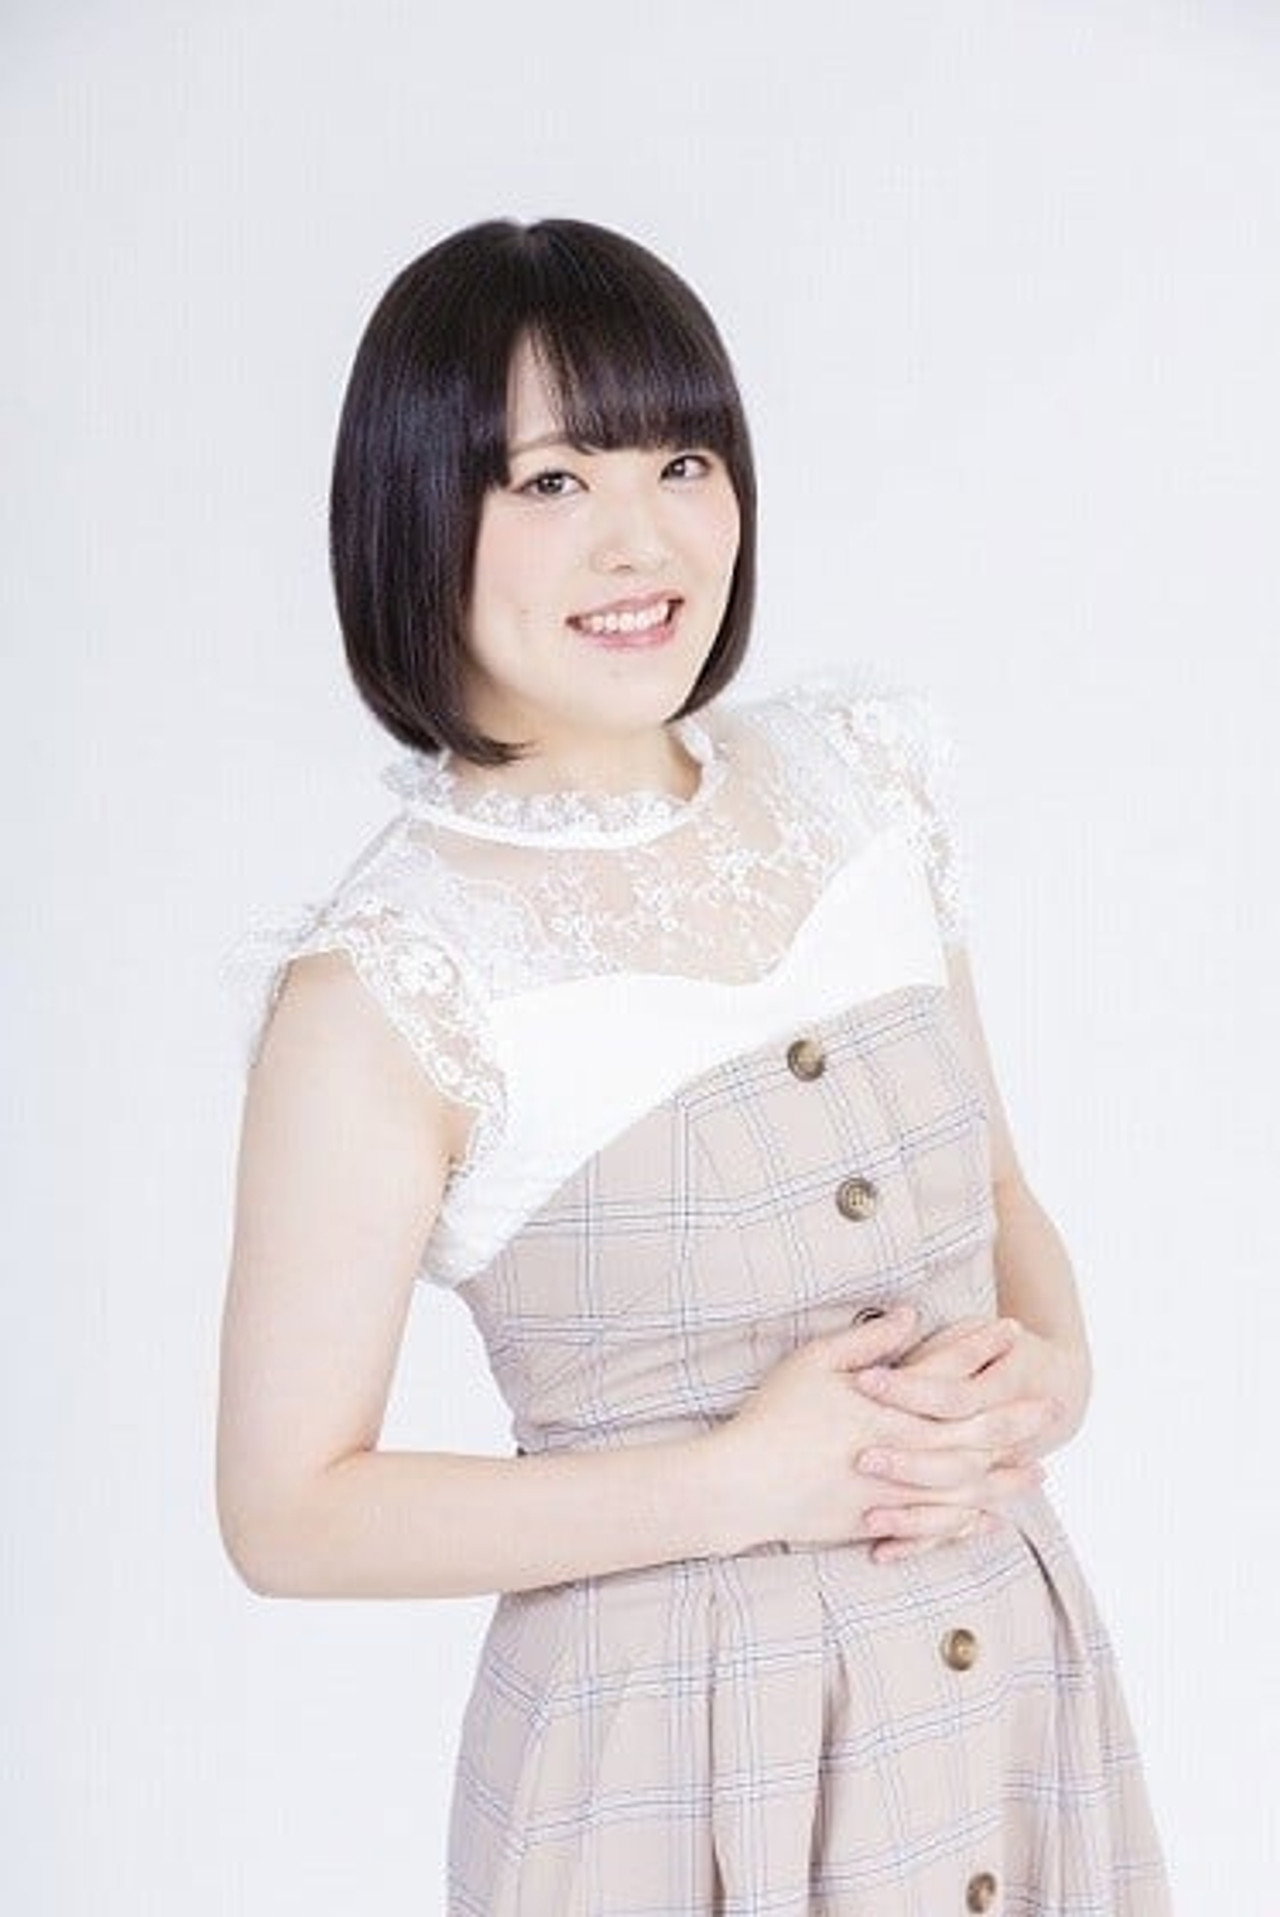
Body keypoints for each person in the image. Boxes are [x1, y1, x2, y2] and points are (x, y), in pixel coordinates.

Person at [216, 217, 1172, 1914]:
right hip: (660, 1780)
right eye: (552, 481)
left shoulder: (862, 789)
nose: (642, 538)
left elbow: (1005, 1194)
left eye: (682, 461)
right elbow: (288, 1510)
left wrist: (1057, 1371)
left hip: (1007, 1698)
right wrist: (733, 1484)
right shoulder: (392, 980)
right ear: (416, 512)